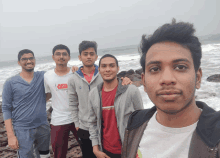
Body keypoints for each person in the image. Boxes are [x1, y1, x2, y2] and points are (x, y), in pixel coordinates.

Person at [121, 19, 220, 158]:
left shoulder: (217, 135)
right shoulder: (135, 124)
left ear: (198, 78)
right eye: (155, 69)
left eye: (180, 67)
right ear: (143, 81)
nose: (167, 79)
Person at [68, 41, 131, 158]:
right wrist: (77, 123)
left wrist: (125, 79)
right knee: (88, 155)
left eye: (91, 54)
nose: (88, 56)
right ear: (79, 57)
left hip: (104, 125)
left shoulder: (103, 73)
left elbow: (116, 82)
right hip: (84, 126)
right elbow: (72, 102)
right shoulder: (73, 79)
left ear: (96, 57)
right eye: (85, 54)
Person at [88, 54, 144, 158]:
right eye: (104, 66)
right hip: (106, 151)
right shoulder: (93, 94)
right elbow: (92, 123)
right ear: (99, 69)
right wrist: (95, 149)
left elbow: (142, 121)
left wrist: (138, 148)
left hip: (130, 150)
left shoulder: (131, 91)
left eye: (112, 66)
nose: (108, 69)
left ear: (118, 69)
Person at [2, 49, 50, 158]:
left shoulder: (43, 76)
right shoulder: (10, 82)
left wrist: (76, 69)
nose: (28, 61)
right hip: (22, 129)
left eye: (31, 58)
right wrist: (10, 136)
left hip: (43, 126)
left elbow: (59, 76)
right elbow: (6, 108)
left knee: (45, 156)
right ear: (19, 62)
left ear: (34, 60)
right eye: (24, 59)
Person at [44, 44, 80, 158]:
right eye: (58, 54)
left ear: (69, 57)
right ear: (53, 57)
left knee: (88, 148)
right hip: (58, 119)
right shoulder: (47, 76)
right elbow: (48, 94)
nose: (61, 56)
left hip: (78, 118)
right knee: (59, 154)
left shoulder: (76, 73)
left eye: (64, 54)